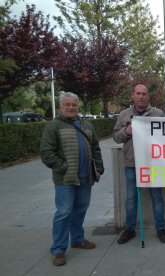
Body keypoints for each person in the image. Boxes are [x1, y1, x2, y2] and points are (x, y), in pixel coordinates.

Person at [40, 92, 104, 266]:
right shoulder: (54, 126)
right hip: (65, 180)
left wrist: (99, 167)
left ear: (78, 106)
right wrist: (63, 167)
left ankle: (77, 239)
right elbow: (46, 153)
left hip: (86, 178)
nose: (70, 107)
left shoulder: (88, 125)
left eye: (73, 105)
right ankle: (58, 249)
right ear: (60, 106)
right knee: (63, 213)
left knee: (80, 210)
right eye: (66, 104)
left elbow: (96, 148)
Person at [113, 84, 165, 244]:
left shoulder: (158, 114)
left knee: (157, 198)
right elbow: (116, 137)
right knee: (131, 199)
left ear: (148, 96)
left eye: (144, 93)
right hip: (132, 164)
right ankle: (129, 229)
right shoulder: (124, 115)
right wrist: (126, 131)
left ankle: (161, 229)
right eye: (138, 93)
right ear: (133, 96)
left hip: (153, 164)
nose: (141, 96)